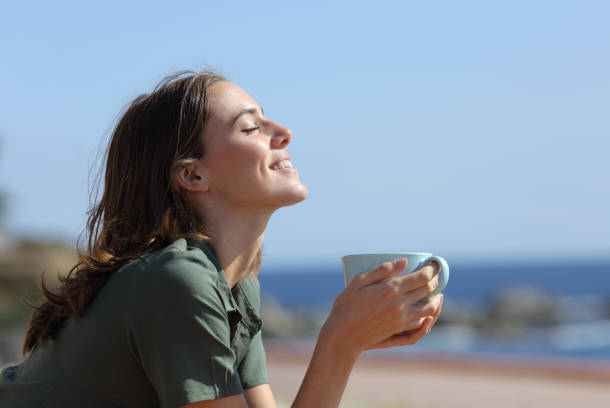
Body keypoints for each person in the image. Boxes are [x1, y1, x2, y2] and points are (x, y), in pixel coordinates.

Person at [0, 70, 443, 408]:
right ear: (193, 174)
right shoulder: (178, 281)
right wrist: (339, 343)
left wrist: (351, 342)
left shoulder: (231, 281)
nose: (284, 133)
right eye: (251, 128)